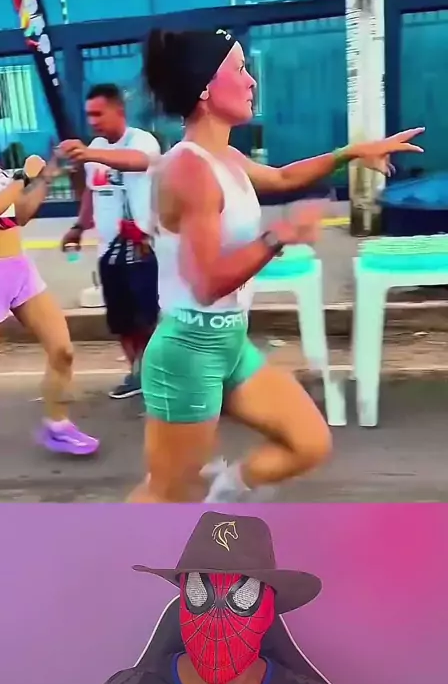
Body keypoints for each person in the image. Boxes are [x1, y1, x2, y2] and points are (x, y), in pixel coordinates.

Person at [127, 28, 425, 504]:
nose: (251, 81)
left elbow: (284, 177)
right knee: (166, 493)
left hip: (229, 342)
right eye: (239, 69)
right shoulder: (189, 169)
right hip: (189, 350)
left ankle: (224, 494)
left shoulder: (224, 157)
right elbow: (206, 283)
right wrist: (279, 235)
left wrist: (351, 154)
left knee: (308, 443)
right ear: (205, 88)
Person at [75, 510, 364, 684]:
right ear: (184, 601)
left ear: (268, 611)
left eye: (243, 599)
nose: (218, 619)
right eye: (200, 594)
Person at [0, 91, 99, 460]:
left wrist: (44, 179)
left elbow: (20, 215)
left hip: (20, 269)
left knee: (63, 349)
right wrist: (21, 176)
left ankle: (58, 426)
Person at [60, 83, 161, 399]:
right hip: (109, 252)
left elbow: (138, 162)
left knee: (147, 317)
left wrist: (90, 153)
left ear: (119, 111)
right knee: (121, 321)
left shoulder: (141, 141)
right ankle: (137, 374)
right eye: (89, 115)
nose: (92, 121)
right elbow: (93, 192)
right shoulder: (96, 148)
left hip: (143, 248)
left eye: (98, 114)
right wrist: (79, 226)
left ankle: (154, 372)